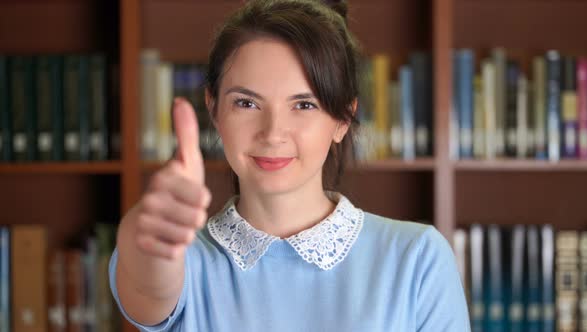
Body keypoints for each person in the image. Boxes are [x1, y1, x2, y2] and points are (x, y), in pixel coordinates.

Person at [109, 0, 471, 331]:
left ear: (343, 120)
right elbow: (147, 283)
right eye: (247, 104)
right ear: (214, 109)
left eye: (304, 105)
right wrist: (145, 234)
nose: (273, 133)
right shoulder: (184, 259)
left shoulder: (417, 258)